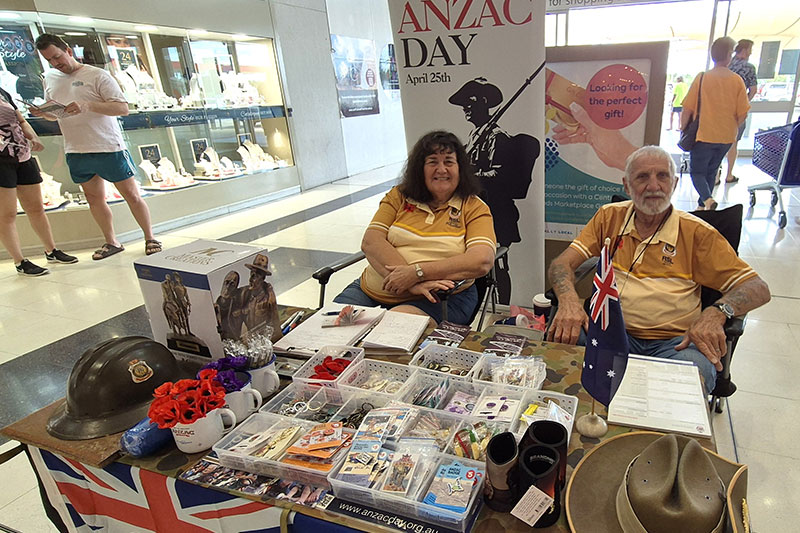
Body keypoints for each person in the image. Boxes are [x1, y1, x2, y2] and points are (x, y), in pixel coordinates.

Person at [546, 146, 770, 394]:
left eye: (662, 176)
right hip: (606, 331)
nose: (653, 186)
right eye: (642, 177)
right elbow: (561, 263)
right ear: (626, 185)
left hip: (676, 343)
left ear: (674, 183)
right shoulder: (609, 217)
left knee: (688, 379)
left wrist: (717, 313)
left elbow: (757, 287)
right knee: (561, 349)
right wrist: (568, 301)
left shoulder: (697, 233)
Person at [334, 130, 496, 325]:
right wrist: (411, 283)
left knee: (392, 331)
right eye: (433, 162)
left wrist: (417, 273)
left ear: (460, 169)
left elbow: (481, 260)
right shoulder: (398, 196)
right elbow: (371, 241)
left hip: (438, 299)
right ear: (420, 168)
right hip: (371, 290)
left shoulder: (474, 207)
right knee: (331, 329)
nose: (442, 169)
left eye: (449, 162)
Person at [32, 33, 161, 260]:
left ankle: (150, 236)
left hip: (107, 145)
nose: (55, 63)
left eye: (57, 57)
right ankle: (111, 241)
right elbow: (55, 117)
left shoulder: (97, 75)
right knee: (94, 198)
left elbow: (122, 109)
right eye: (49, 60)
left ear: (68, 51)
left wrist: (88, 105)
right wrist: (44, 113)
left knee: (131, 195)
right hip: (75, 148)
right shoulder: (50, 78)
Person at [449, 79, 539, 304]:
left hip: (497, 212)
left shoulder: (496, 137)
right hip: (473, 213)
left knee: (498, 265)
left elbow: (500, 175)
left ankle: (501, 309)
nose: (465, 108)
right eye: (463, 105)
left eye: (470, 102)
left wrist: (468, 175)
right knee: (474, 266)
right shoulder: (474, 136)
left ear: (484, 103)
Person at [0, 86, 77, 276]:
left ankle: (51, 250)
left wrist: (33, 137)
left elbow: (21, 120)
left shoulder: (2, 92)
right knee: (7, 214)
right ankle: (20, 261)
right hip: (1, 160)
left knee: (36, 207)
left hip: (22, 154)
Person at [681, 36, 750, 211]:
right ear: (728, 55)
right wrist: (729, 124)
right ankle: (701, 206)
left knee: (697, 172)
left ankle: (707, 200)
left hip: (703, 134)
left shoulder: (703, 78)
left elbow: (687, 108)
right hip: (726, 137)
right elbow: (743, 113)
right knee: (711, 172)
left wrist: (683, 128)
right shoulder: (737, 81)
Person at [725, 39, 758, 184]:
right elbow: (753, 90)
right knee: (733, 143)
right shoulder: (749, 67)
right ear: (745, 50)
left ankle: (716, 175)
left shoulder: (727, 64)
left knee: (718, 143)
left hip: (720, 109)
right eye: (750, 49)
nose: (751, 52)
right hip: (736, 112)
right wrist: (745, 102)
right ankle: (729, 175)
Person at [241, 253, 281, 337]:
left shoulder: (268, 298)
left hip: (264, 339)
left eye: (256, 275)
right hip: (249, 339)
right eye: (252, 273)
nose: (251, 278)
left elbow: (275, 322)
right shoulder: (245, 294)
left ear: (263, 278)